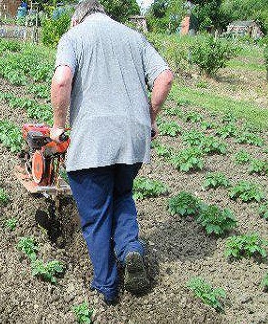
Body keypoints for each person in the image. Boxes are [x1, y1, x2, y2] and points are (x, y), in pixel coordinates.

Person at [49, 0, 173, 304]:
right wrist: (151, 118)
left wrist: (57, 126)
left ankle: (106, 286)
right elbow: (165, 77)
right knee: (121, 195)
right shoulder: (133, 36)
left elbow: (62, 79)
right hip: (133, 139)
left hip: (94, 140)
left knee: (95, 216)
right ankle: (130, 246)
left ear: (77, 20)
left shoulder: (73, 37)